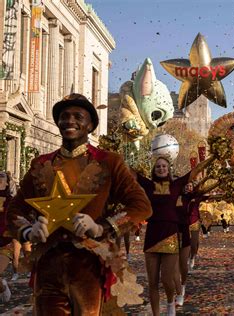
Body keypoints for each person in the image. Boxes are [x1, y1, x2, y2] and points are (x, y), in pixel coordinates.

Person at [6, 94, 152, 315]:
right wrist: (28, 230)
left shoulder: (109, 162)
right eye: (64, 116)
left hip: (90, 267)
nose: (70, 121)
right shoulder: (41, 164)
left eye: (78, 116)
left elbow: (141, 206)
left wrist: (101, 227)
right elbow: (14, 209)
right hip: (49, 267)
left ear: (90, 124)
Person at [137, 154, 212, 315]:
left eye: (164, 166)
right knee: (152, 282)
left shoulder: (177, 185)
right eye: (158, 166)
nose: (161, 168)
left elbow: (195, 171)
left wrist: (214, 157)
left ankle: (171, 302)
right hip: (152, 236)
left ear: (169, 169)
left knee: (166, 279)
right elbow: (129, 172)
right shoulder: (148, 185)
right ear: (154, 170)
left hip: (170, 234)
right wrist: (106, 152)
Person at [0, 171, 14, 302]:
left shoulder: (12, 201)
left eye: (2, 176)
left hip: (4, 243)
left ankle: (3, 288)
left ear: (7, 182)